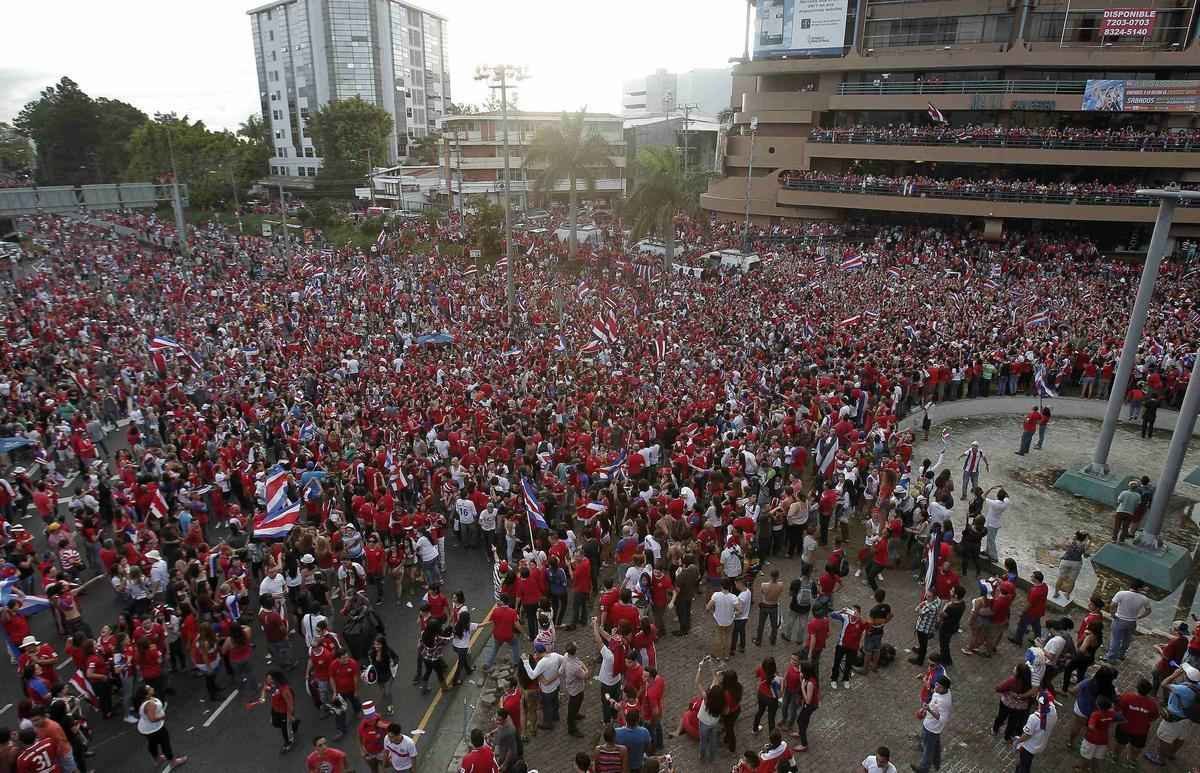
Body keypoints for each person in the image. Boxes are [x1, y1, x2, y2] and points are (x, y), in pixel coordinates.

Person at [1143, 662, 1200, 767]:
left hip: (1174, 719)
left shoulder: (1183, 689)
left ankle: (1160, 758)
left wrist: (1174, 675)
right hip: (1187, 718)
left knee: (1164, 738)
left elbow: (1164, 684)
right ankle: (1171, 754)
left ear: (1186, 677)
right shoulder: (1198, 686)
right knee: (1180, 737)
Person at [135, 684, 187, 768]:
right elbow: (152, 718)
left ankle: (157, 759)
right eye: (150, 688)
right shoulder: (150, 704)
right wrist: (162, 717)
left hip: (146, 728)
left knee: (152, 744)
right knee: (165, 743)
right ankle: (173, 762)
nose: (152, 688)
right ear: (147, 694)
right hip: (155, 728)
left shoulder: (144, 699)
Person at [1113, 678, 1157, 769]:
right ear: (1149, 691)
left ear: (1137, 687)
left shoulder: (1127, 697)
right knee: (1137, 748)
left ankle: (1115, 756)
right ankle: (1132, 760)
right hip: (1141, 731)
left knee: (1120, 743)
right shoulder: (1152, 704)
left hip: (1124, 727)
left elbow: (1117, 709)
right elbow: (1154, 717)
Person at [1105, 579, 1152, 662]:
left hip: (1119, 619)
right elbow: (1148, 611)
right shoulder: (1144, 599)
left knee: (1115, 639)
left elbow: (1112, 605)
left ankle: (1111, 657)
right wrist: (1139, 617)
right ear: (1140, 588)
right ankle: (1121, 655)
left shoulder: (1121, 594)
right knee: (1127, 639)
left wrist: (1112, 614)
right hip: (1132, 622)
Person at [1011, 690, 1057, 773]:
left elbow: (1027, 735)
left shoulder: (1034, 718)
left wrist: (1017, 741)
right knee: (1026, 761)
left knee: (1024, 764)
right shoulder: (1053, 713)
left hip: (1029, 747)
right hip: (1040, 743)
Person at [913, 676, 952, 773]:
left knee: (928, 750)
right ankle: (936, 762)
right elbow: (932, 699)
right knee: (934, 745)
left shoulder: (944, 702)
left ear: (945, 688)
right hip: (931, 725)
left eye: (939, 686)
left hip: (932, 728)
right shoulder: (939, 691)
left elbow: (943, 719)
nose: (936, 687)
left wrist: (929, 710)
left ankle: (923, 769)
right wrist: (924, 709)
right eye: (936, 684)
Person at [258, 669, 298, 754]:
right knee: (274, 723)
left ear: (276, 679)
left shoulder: (284, 689)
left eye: (270, 679)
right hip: (275, 709)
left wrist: (290, 715)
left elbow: (290, 703)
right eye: (267, 679)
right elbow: (264, 689)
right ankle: (292, 724)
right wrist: (262, 697)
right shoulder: (270, 684)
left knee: (285, 730)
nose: (268, 681)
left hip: (284, 712)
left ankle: (288, 742)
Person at [706, 579, 739, 659]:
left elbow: (708, 608)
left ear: (721, 586)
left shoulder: (716, 595)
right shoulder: (733, 597)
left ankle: (718, 655)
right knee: (728, 638)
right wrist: (734, 614)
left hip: (718, 620)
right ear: (730, 587)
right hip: (729, 621)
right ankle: (726, 655)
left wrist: (712, 612)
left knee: (718, 637)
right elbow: (739, 610)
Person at [563, 642, 589, 738]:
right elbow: (585, 675)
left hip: (575, 687)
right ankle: (572, 728)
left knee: (579, 700)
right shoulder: (575, 667)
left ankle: (576, 714)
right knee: (572, 707)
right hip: (575, 689)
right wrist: (585, 668)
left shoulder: (566, 656)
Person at [358, 701, 390, 773]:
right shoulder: (362, 726)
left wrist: (386, 726)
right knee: (373, 769)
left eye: (372, 718)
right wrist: (362, 750)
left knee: (385, 768)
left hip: (382, 751)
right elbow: (360, 738)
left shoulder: (381, 723)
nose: (371, 721)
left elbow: (394, 731)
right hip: (369, 753)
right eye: (368, 719)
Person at [981, 486, 1010, 561]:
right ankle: (987, 551)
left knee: (991, 540)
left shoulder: (994, 503)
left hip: (991, 523)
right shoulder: (1006, 502)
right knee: (990, 539)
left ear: (997, 496)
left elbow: (983, 496)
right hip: (996, 523)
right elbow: (1007, 496)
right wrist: (1003, 488)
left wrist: (990, 489)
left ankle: (994, 557)